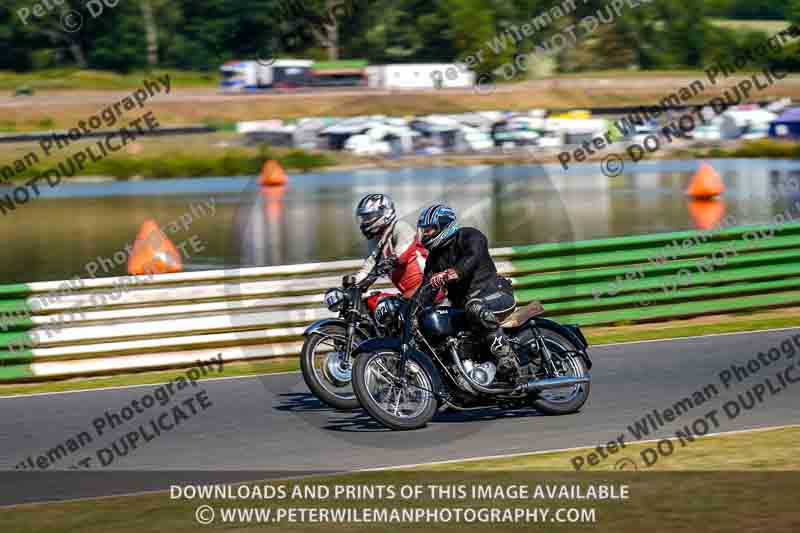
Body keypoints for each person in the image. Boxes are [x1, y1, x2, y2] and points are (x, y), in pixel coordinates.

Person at [417, 204, 520, 381]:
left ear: (444, 226)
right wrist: (409, 310)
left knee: (474, 307)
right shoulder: (434, 257)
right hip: (463, 307)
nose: (425, 234)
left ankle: (506, 357)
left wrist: (453, 273)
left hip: (496, 295)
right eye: (423, 230)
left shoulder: (470, 236)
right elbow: (426, 289)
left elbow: (472, 258)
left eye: (429, 230)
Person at [343, 194, 428, 325]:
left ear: (385, 213)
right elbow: (369, 267)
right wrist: (354, 282)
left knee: (391, 311)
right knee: (371, 303)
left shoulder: (400, 227)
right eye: (363, 218)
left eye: (368, 217)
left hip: (427, 286)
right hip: (409, 293)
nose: (364, 222)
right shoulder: (378, 240)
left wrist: (389, 262)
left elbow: (403, 252)